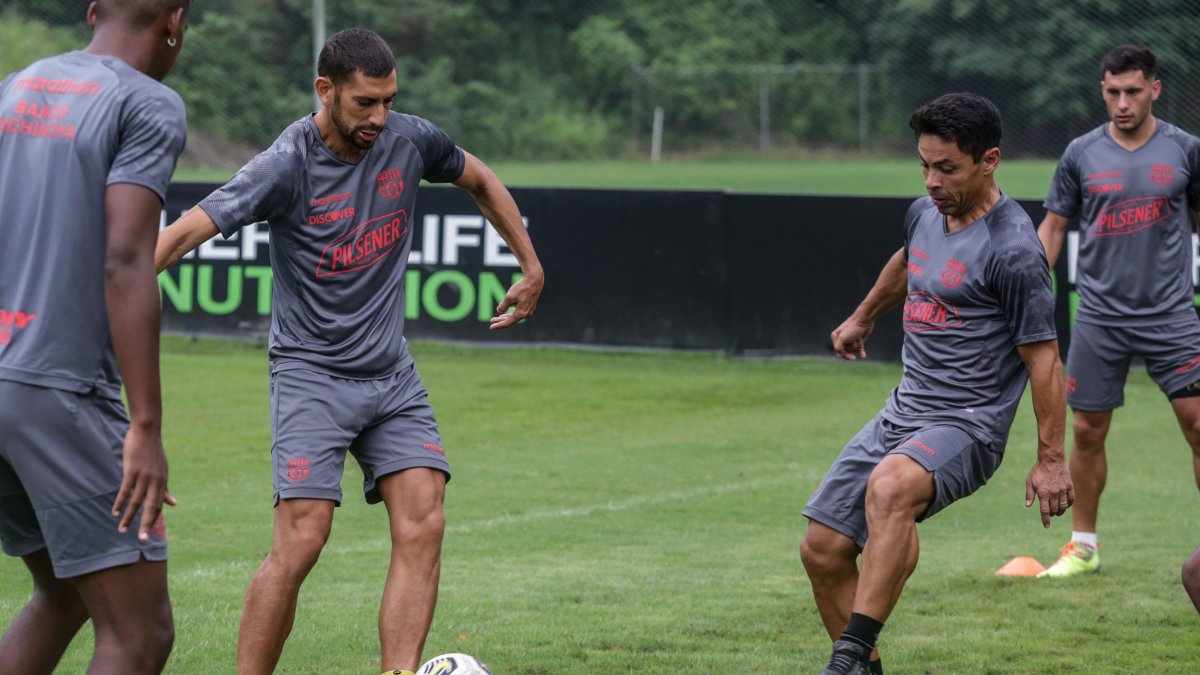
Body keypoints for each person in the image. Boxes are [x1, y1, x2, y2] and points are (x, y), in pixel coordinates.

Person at [155, 27, 543, 675]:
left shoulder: (409, 140)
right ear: (325, 90)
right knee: (302, 539)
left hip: (391, 374)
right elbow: (184, 233)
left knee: (424, 521)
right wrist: (110, 298)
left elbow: (479, 178)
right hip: (311, 376)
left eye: (388, 100)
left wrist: (530, 266)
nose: (379, 117)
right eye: (365, 102)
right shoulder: (286, 163)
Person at [799, 93, 1072, 674]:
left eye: (947, 168)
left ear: (989, 160)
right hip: (905, 411)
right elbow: (907, 261)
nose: (931, 180)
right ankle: (865, 668)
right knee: (822, 550)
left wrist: (1051, 459)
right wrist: (864, 315)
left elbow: (1045, 360)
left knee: (892, 488)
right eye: (924, 165)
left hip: (968, 424)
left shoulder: (1014, 250)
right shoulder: (926, 213)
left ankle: (843, 660)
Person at [0, 1, 190, 673]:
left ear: (91, 13)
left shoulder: (17, 86)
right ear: (175, 20)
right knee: (140, 633)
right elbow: (128, 259)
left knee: (60, 594)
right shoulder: (148, 104)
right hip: (61, 392)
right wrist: (145, 423)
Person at [1036, 44, 1200, 579]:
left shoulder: (1186, 150)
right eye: (1112, 92)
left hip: (1172, 315)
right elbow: (1054, 227)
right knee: (1085, 429)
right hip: (1100, 316)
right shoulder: (1080, 153)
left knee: (1198, 424)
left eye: (1133, 91)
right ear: (1102, 91)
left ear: (1154, 88)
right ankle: (1083, 546)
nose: (1122, 103)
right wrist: (1033, 289)